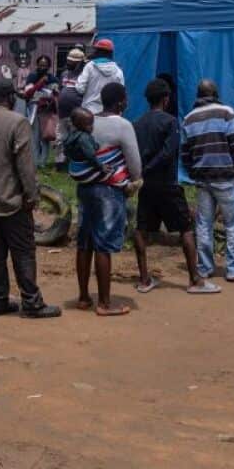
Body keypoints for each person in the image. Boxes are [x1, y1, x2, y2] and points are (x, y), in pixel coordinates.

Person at [0, 78, 62, 319]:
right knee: (23, 250)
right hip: (12, 200)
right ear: (10, 97)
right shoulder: (18, 123)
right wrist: (32, 195)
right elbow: (25, 165)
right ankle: (31, 303)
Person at [132, 79, 210, 294]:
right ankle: (195, 280)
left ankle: (144, 279)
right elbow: (169, 153)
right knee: (185, 229)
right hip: (167, 184)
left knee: (141, 230)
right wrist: (153, 167)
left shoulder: (137, 124)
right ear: (166, 99)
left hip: (147, 186)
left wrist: (143, 170)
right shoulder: (171, 122)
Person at [73, 82, 141, 314]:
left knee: (85, 243)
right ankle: (104, 303)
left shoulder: (87, 121)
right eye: (126, 98)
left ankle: (83, 297)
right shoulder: (123, 126)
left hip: (85, 189)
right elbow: (135, 164)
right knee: (103, 245)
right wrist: (134, 181)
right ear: (121, 102)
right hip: (109, 192)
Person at [181, 79, 234, 284]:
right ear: (215, 93)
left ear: (198, 95)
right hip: (226, 177)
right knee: (233, 224)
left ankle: (204, 268)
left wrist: (192, 173)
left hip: (202, 179)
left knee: (203, 224)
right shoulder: (227, 113)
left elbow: (185, 154)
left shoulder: (188, 119)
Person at [23, 55, 60, 166]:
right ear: (37, 65)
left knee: (45, 136)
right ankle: (35, 161)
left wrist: (51, 100)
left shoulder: (53, 79)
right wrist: (40, 83)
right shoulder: (32, 77)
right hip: (34, 110)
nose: (42, 67)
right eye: (40, 64)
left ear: (48, 66)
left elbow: (56, 95)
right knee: (35, 136)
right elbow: (27, 94)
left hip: (46, 111)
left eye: (45, 65)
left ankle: (43, 162)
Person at [54, 49, 87, 167]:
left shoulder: (84, 76)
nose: (69, 63)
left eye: (72, 62)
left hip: (76, 114)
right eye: (69, 61)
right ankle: (59, 162)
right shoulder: (64, 74)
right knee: (60, 138)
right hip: (62, 113)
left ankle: (73, 163)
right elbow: (60, 89)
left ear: (80, 63)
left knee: (74, 139)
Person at [74, 39, 125, 115]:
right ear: (111, 53)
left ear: (97, 52)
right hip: (110, 114)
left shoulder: (90, 66)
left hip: (89, 114)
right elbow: (121, 94)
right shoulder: (118, 70)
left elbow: (80, 88)